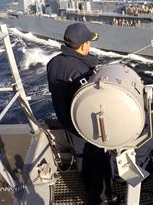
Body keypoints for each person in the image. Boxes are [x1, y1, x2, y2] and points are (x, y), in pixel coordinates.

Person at [47, 23, 115, 205]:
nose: (90, 46)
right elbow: (89, 102)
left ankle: (92, 192)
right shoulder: (80, 70)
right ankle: (102, 198)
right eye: (89, 42)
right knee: (97, 162)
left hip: (67, 121)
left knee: (82, 159)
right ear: (84, 45)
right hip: (85, 127)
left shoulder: (53, 63)